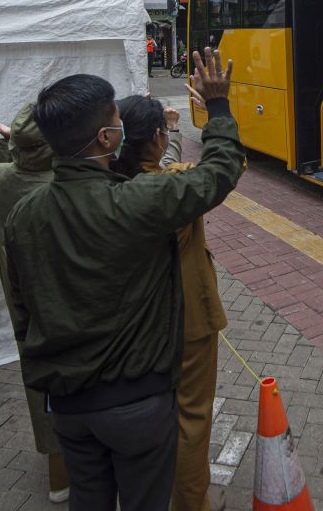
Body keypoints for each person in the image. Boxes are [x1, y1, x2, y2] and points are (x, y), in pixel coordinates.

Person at [2, 48, 244, 511]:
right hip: (137, 403)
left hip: (68, 405)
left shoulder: (23, 216)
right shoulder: (135, 202)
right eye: (116, 121)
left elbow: (22, 309)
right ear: (104, 137)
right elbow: (220, 171)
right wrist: (217, 107)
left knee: (89, 499)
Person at [112, 99, 228, 511]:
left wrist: (170, 134)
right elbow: (226, 168)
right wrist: (218, 110)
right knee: (191, 420)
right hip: (188, 325)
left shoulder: (103, 188)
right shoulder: (173, 188)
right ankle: (192, 503)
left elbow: (160, 167)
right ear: (156, 138)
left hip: (132, 327)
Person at [0, 104, 69, 504]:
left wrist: (7, 146)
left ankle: (59, 476)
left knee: (43, 390)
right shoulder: (71, 181)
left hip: (26, 311)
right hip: (77, 304)